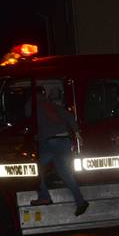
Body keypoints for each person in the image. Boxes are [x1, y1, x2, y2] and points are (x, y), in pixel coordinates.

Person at [29, 86, 89, 216]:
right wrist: (78, 134)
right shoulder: (51, 104)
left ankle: (44, 196)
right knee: (65, 172)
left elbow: (29, 123)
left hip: (49, 142)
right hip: (64, 139)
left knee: (36, 170)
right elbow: (69, 116)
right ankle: (80, 201)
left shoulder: (31, 104)